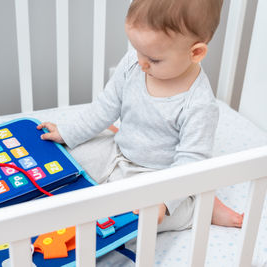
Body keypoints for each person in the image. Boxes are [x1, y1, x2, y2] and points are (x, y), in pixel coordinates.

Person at [37, 0, 243, 231]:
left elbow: (190, 162)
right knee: (68, 161)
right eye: (137, 50)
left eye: (154, 59)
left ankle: (199, 208)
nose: (141, 62)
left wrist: (164, 202)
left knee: (136, 217)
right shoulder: (134, 63)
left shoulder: (199, 104)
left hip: (157, 174)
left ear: (195, 53)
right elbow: (105, 107)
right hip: (117, 150)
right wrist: (68, 132)